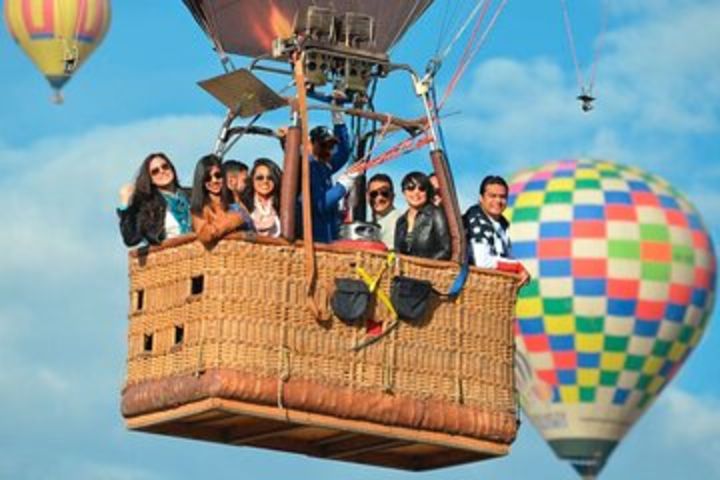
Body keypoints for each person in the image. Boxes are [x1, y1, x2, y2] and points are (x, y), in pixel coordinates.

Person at [463, 175, 530, 285]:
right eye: (492, 196)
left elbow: (506, 256)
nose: (498, 201)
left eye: (502, 197)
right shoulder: (476, 220)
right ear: (481, 198)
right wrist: (516, 266)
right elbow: (482, 262)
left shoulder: (501, 224)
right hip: (476, 286)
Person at [306, 105, 358, 242]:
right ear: (310, 144)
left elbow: (343, 152)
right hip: (313, 238)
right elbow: (320, 204)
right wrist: (342, 186)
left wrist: (338, 117)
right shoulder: (308, 168)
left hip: (328, 237)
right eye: (323, 145)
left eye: (331, 146)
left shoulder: (323, 166)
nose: (328, 150)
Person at [117, 152, 191, 247]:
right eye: (155, 171)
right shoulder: (148, 206)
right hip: (171, 256)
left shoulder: (192, 194)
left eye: (165, 166)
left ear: (172, 168)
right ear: (150, 179)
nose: (162, 171)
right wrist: (125, 204)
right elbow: (131, 239)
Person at [190, 154, 253, 247]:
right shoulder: (199, 209)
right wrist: (234, 220)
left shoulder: (235, 201)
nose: (214, 180)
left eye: (218, 175)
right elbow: (205, 235)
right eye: (208, 178)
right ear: (201, 182)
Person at [394, 171, 451, 260]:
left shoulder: (436, 214)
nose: (416, 192)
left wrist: (424, 265)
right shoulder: (400, 221)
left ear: (427, 192)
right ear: (403, 192)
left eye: (422, 188)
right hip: (404, 272)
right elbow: (397, 252)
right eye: (410, 188)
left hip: (429, 271)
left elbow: (446, 249)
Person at [244, 158, 282, 238]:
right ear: (252, 180)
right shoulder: (243, 205)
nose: (265, 181)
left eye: (270, 178)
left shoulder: (284, 207)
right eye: (260, 178)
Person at [367, 173, 401, 249]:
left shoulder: (398, 222)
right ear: (367, 196)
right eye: (374, 194)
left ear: (392, 196)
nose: (379, 198)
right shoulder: (372, 221)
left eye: (384, 193)